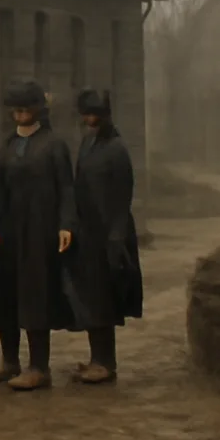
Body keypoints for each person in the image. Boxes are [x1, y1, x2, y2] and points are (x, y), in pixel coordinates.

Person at [0, 80, 76, 391]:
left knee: (36, 296)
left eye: (27, 108)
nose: (21, 113)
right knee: (6, 295)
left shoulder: (53, 145)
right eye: (17, 109)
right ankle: (10, 361)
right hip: (9, 234)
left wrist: (66, 225)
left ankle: (39, 367)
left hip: (40, 232)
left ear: (38, 110)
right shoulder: (8, 147)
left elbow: (66, 188)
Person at [68, 88, 143, 384]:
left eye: (95, 115)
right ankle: (95, 358)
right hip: (88, 233)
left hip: (110, 234)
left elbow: (123, 197)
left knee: (105, 299)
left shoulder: (116, 148)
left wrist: (116, 238)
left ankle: (106, 363)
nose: (90, 119)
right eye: (87, 114)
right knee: (90, 298)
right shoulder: (88, 143)